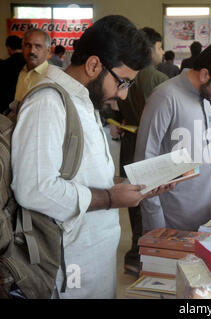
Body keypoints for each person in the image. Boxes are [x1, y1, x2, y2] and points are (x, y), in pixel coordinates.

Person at [10, 15, 174, 299]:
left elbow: (83, 175)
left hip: (92, 253)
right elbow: (34, 189)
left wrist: (133, 187)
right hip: (68, 264)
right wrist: (111, 199)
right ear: (94, 65)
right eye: (123, 82)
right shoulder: (47, 103)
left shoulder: (83, 101)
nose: (123, 96)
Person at [135, 39, 211, 233]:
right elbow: (145, 162)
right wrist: (154, 225)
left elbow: (206, 139)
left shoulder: (205, 96)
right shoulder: (165, 97)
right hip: (177, 217)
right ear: (205, 74)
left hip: (210, 207)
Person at [116, 27, 169, 277]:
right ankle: (148, 258)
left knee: (133, 200)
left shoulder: (127, 75)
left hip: (129, 141)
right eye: (160, 47)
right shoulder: (156, 78)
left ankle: (134, 255)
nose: (161, 52)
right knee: (151, 201)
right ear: (152, 48)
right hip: (151, 146)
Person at [13, 29, 51, 108]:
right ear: (22, 49)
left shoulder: (52, 76)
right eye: (28, 45)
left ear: (48, 51)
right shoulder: (14, 71)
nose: (32, 51)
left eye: (38, 46)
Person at [0, 35, 25, 114]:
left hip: (6, 106)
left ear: (8, 48)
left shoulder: (4, 64)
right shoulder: (29, 63)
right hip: (25, 104)